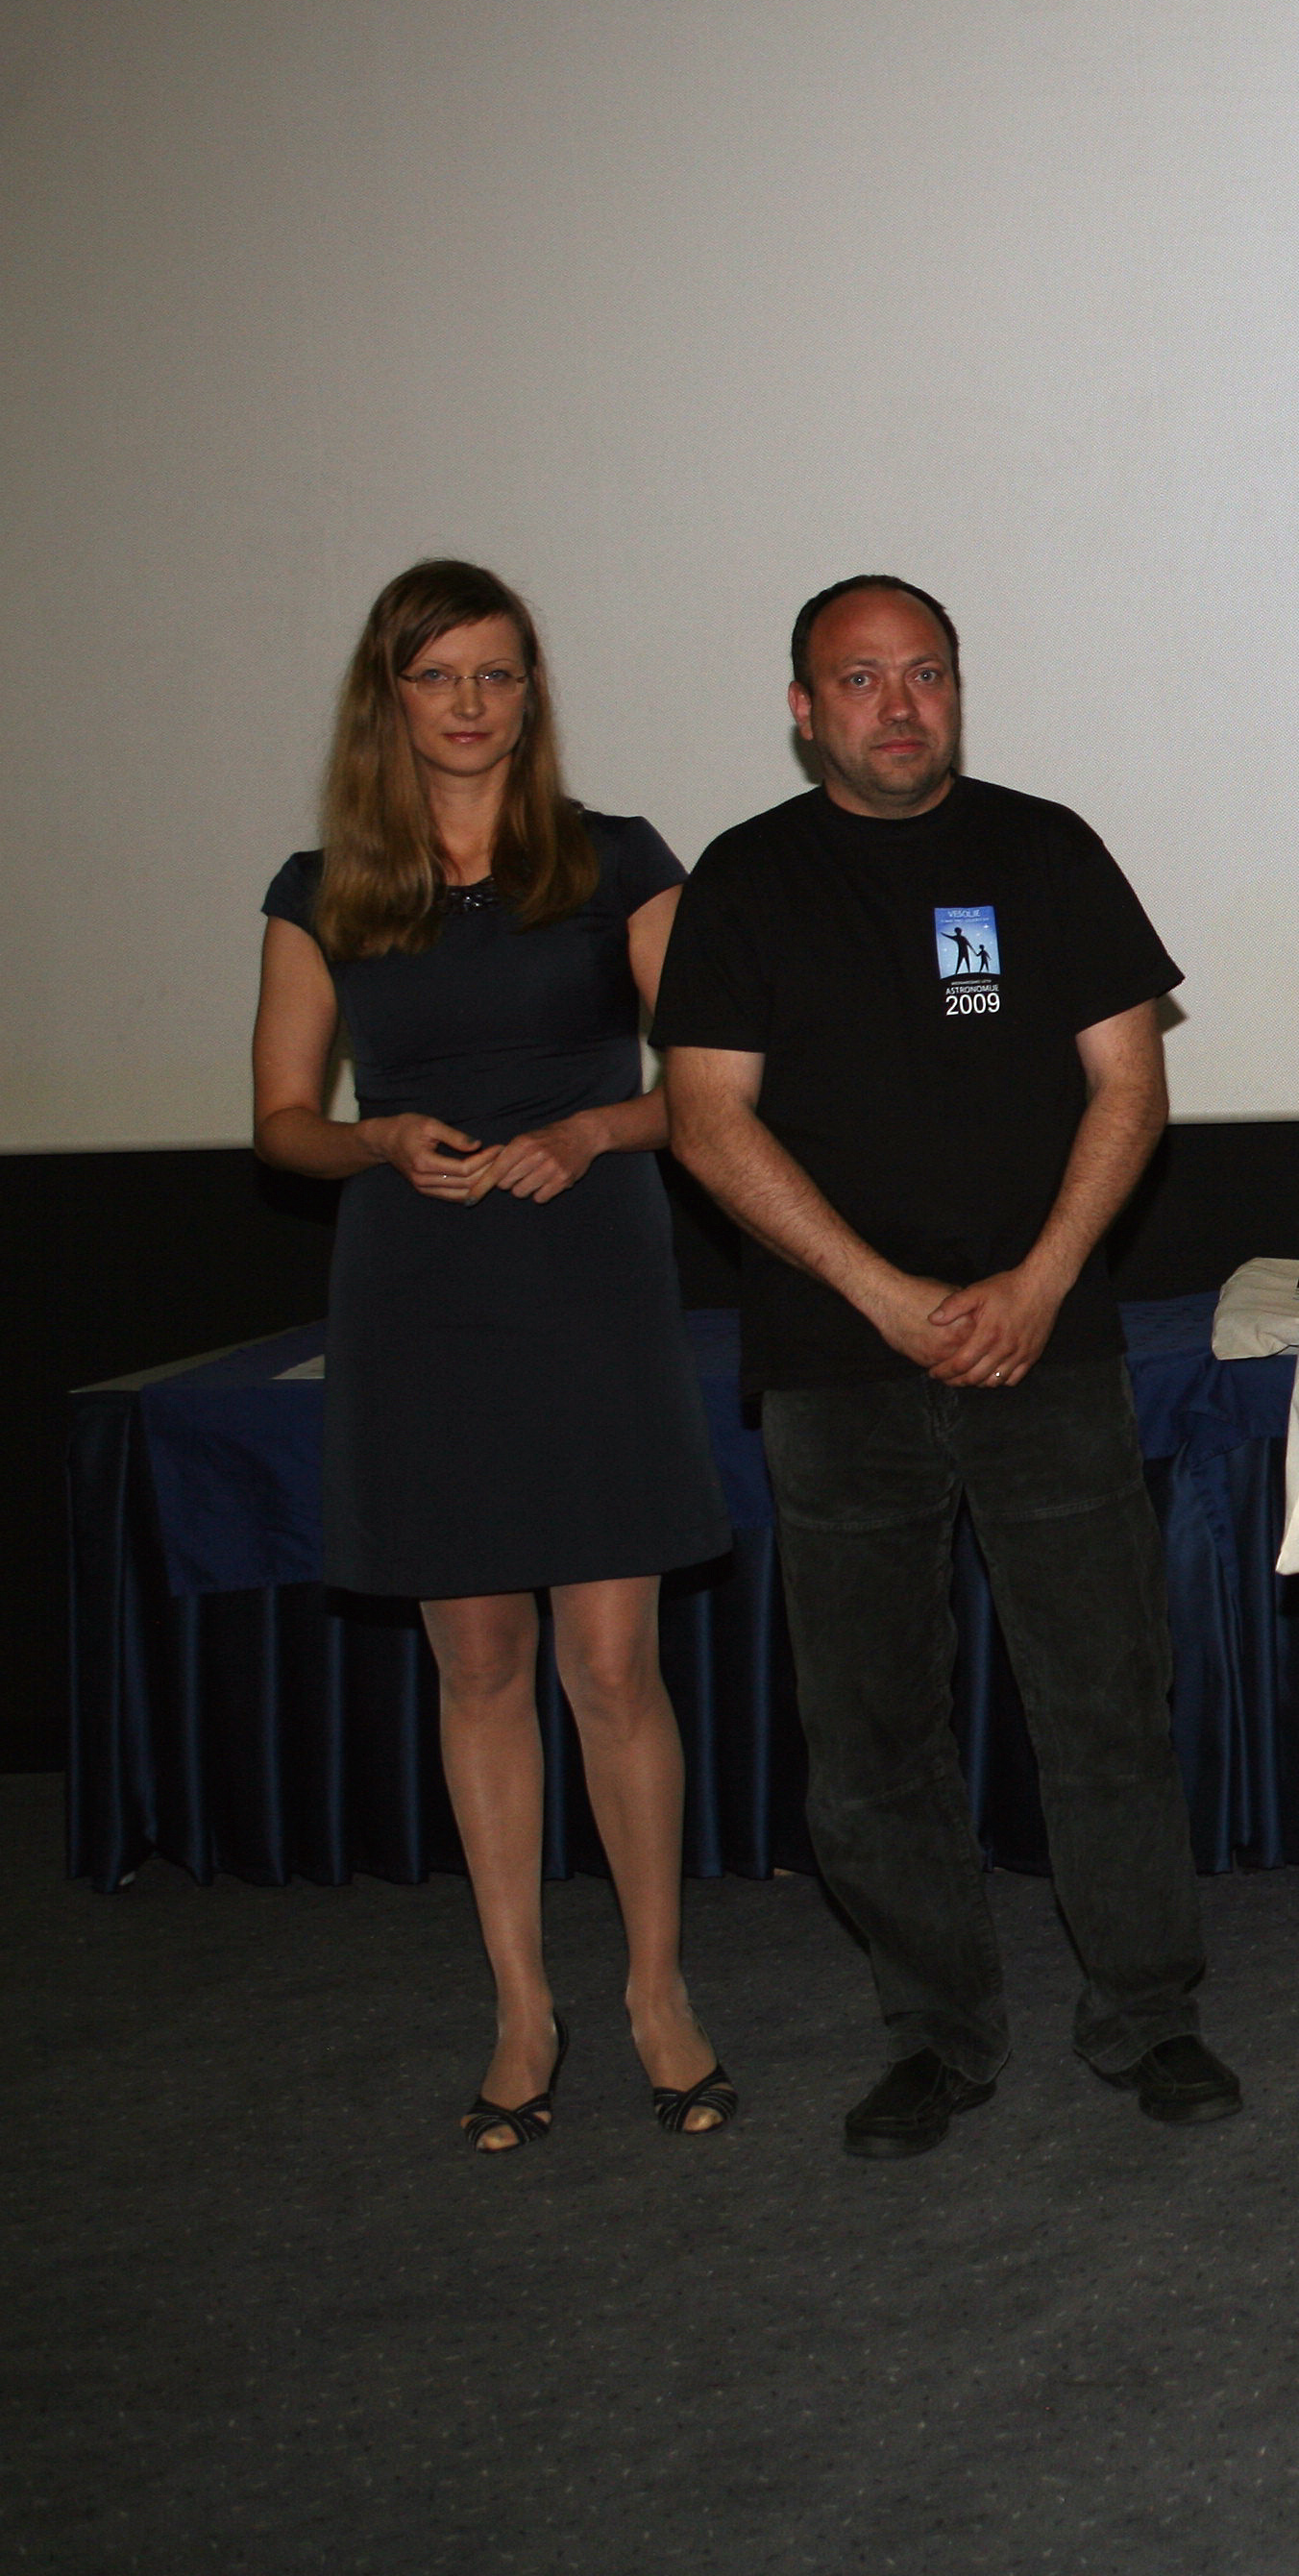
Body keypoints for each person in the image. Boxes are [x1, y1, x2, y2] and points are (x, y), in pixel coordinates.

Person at [660, 575, 1240, 2158]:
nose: (900, 705)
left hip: (1046, 1345)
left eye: (926, 673)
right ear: (805, 710)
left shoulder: (1044, 851)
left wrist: (1040, 1281)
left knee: (1105, 1697)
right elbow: (707, 1119)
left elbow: (1130, 1086)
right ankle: (936, 2032)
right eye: (861, 680)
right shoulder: (747, 878)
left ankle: (1148, 2010)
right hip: (835, 1363)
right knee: (871, 1732)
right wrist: (883, 1294)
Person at [250, 559, 738, 2152]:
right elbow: (282, 1123)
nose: (470, 703)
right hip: (420, 1289)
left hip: (590, 1273)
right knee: (476, 1665)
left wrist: (594, 1128)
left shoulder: (618, 859)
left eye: (498, 674)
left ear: (531, 695)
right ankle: (524, 2009)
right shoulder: (321, 888)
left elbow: (715, 1087)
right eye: (438, 675)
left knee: (612, 1663)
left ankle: (656, 1994)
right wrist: (377, 1139)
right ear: (387, 696)